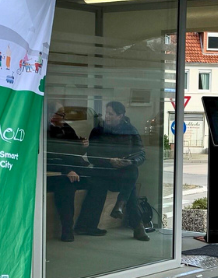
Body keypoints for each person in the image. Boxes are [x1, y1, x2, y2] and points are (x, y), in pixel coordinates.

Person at [75, 101, 149, 241]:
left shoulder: (130, 131)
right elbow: (91, 156)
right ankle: (136, 224)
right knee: (130, 187)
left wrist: (130, 161)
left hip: (122, 172)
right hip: (103, 170)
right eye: (106, 113)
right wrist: (109, 161)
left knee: (132, 171)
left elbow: (141, 154)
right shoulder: (98, 130)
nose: (107, 116)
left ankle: (119, 206)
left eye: (111, 114)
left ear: (120, 116)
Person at [46, 104, 86, 242]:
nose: (63, 117)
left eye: (64, 114)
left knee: (99, 182)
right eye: (60, 114)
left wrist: (83, 146)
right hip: (55, 174)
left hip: (75, 168)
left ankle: (88, 225)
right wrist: (66, 170)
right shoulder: (45, 131)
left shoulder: (67, 128)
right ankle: (67, 230)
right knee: (66, 187)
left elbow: (78, 151)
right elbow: (46, 158)